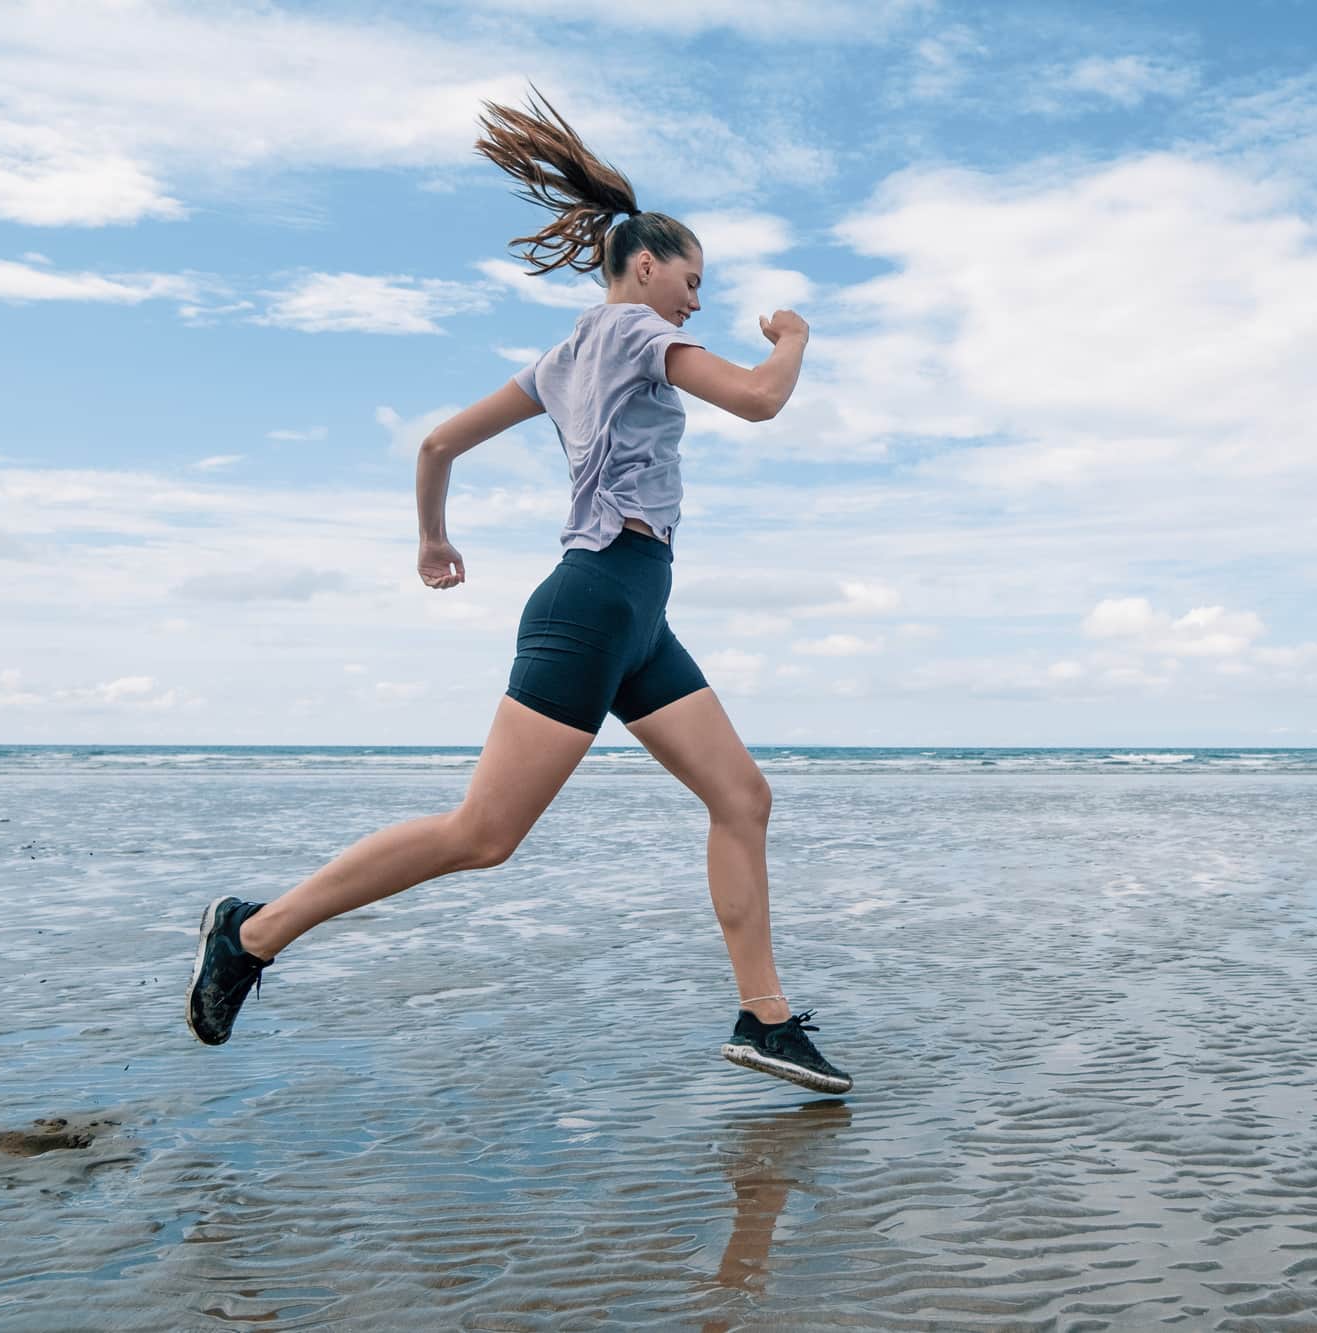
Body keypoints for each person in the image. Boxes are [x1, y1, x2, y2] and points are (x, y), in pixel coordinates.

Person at [186, 87, 851, 1095]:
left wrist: (433, 538)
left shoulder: (557, 357)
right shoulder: (628, 331)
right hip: (595, 602)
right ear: (644, 264)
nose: (697, 299)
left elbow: (436, 442)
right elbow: (758, 398)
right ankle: (253, 931)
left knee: (740, 796)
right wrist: (794, 335)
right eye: (692, 278)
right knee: (483, 834)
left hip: (633, 612)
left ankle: (763, 1020)